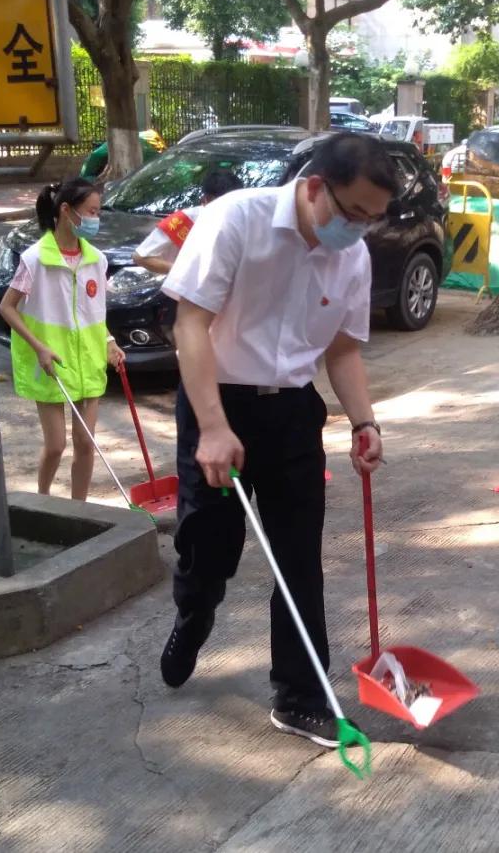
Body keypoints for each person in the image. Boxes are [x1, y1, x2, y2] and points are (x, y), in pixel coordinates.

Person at [159, 132, 394, 750]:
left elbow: (342, 350)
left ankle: (300, 695)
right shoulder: (235, 218)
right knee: (210, 547)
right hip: (219, 402)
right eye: (354, 215)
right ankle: (195, 609)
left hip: (293, 413)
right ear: (316, 187)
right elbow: (191, 322)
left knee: (298, 560)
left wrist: (364, 422)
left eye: (373, 220)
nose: (360, 231)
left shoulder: (354, 256)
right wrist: (212, 427)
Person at [0, 178, 125, 500]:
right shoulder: (35, 259)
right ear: (66, 210)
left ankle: (78, 510)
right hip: (51, 364)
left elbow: (92, 312)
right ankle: (43, 501)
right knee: (56, 446)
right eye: (91, 212)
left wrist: (110, 342)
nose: (96, 219)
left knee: (86, 443)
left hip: (89, 362)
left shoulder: (97, 259)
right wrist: (38, 346)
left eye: (98, 212)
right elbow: (7, 308)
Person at [132, 168, 241, 275]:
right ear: (205, 201)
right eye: (219, 205)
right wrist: (184, 273)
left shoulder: (243, 220)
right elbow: (140, 257)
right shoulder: (184, 219)